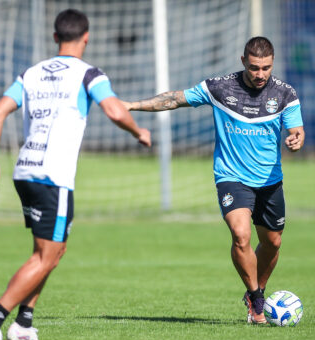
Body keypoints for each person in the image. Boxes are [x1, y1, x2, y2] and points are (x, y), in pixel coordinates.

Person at [0, 8, 151, 340]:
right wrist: (138, 130)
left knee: (53, 252)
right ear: (87, 37)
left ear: (55, 38)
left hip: (25, 169)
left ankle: (23, 325)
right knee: (45, 256)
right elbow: (114, 110)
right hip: (53, 176)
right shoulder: (89, 74)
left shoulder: (31, 73)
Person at [121, 36, 304, 324]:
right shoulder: (219, 87)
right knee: (241, 235)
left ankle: (259, 289)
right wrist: (131, 105)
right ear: (243, 61)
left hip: (270, 180)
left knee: (273, 242)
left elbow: (297, 130)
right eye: (255, 67)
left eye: (266, 68)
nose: (260, 74)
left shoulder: (285, 94)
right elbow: (175, 99)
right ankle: (257, 300)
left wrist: (296, 138)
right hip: (231, 177)